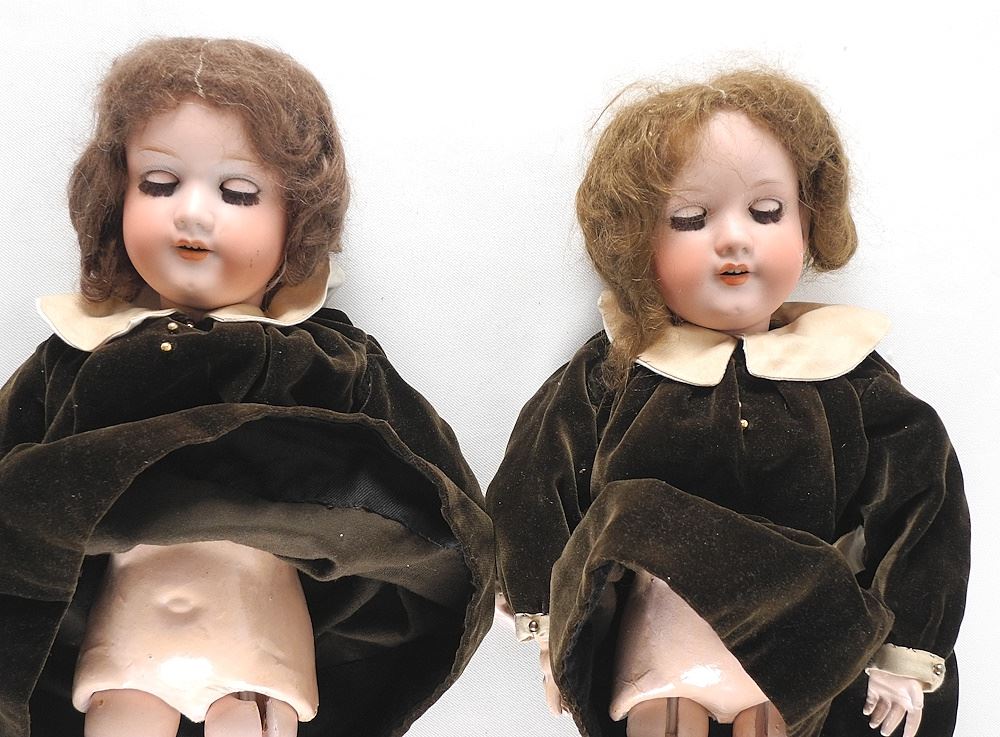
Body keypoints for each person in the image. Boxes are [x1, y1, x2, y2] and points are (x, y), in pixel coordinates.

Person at [0, 37, 493, 737]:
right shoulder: (78, 355)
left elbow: (435, 490)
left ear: (298, 218)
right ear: (114, 196)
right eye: (159, 183)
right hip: (125, 631)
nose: (193, 213)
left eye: (237, 193)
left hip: (258, 630)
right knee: (122, 715)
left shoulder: (329, 360)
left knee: (250, 718)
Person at [488, 69, 969, 737]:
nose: (734, 238)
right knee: (661, 708)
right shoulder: (618, 372)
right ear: (638, 240)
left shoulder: (849, 381)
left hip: (793, 629)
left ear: (808, 221)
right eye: (691, 219)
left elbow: (926, 501)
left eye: (766, 212)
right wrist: (549, 616)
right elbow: (535, 478)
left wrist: (907, 648)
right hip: (657, 622)